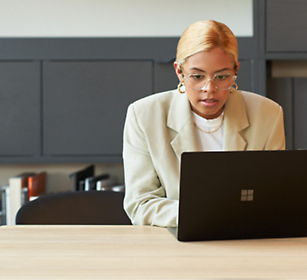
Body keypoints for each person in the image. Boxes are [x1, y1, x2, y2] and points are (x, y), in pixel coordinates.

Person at [122, 20, 285, 227]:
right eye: (197, 76)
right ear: (179, 72)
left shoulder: (268, 114)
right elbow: (140, 205)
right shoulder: (144, 115)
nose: (209, 88)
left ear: (236, 70)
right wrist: (205, 212)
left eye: (222, 76)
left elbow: (274, 199)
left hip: (244, 240)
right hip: (176, 243)